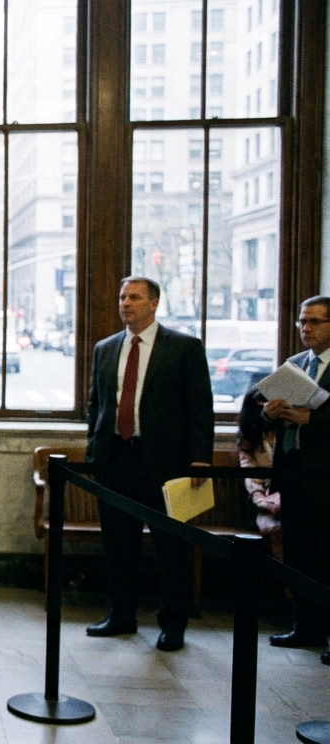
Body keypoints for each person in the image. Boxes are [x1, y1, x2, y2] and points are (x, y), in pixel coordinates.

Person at [84, 276, 213, 652]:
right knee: (119, 543)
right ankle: (121, 614)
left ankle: (173, 624)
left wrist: (199, 459)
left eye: (135, 297)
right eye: (122, 296)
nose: (126, 303)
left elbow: (199, 406)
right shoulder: (106, 348)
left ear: (154, 303)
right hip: (117, 458)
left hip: (166, 462)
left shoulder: (183, 347)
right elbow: (98, 404)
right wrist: (96, 451)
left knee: (171, 546)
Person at [262, 295, 330, 664]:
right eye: (302, 322)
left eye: (315, 322)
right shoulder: (295, 365)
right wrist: (272, 412)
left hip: (326, 478)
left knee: (327, 556)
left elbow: (314, 418)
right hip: (294, 476)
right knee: (300, 555)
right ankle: (306, 626)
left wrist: (312, 420)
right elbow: (265, 422)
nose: (306, 328)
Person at [235, 388, 281, 560]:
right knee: (274, 529)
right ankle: (285, 584)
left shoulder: (287, 431)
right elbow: (250, 472)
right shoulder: (250, 437)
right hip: (265, 505)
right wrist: (261, 499)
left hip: (291, 498)